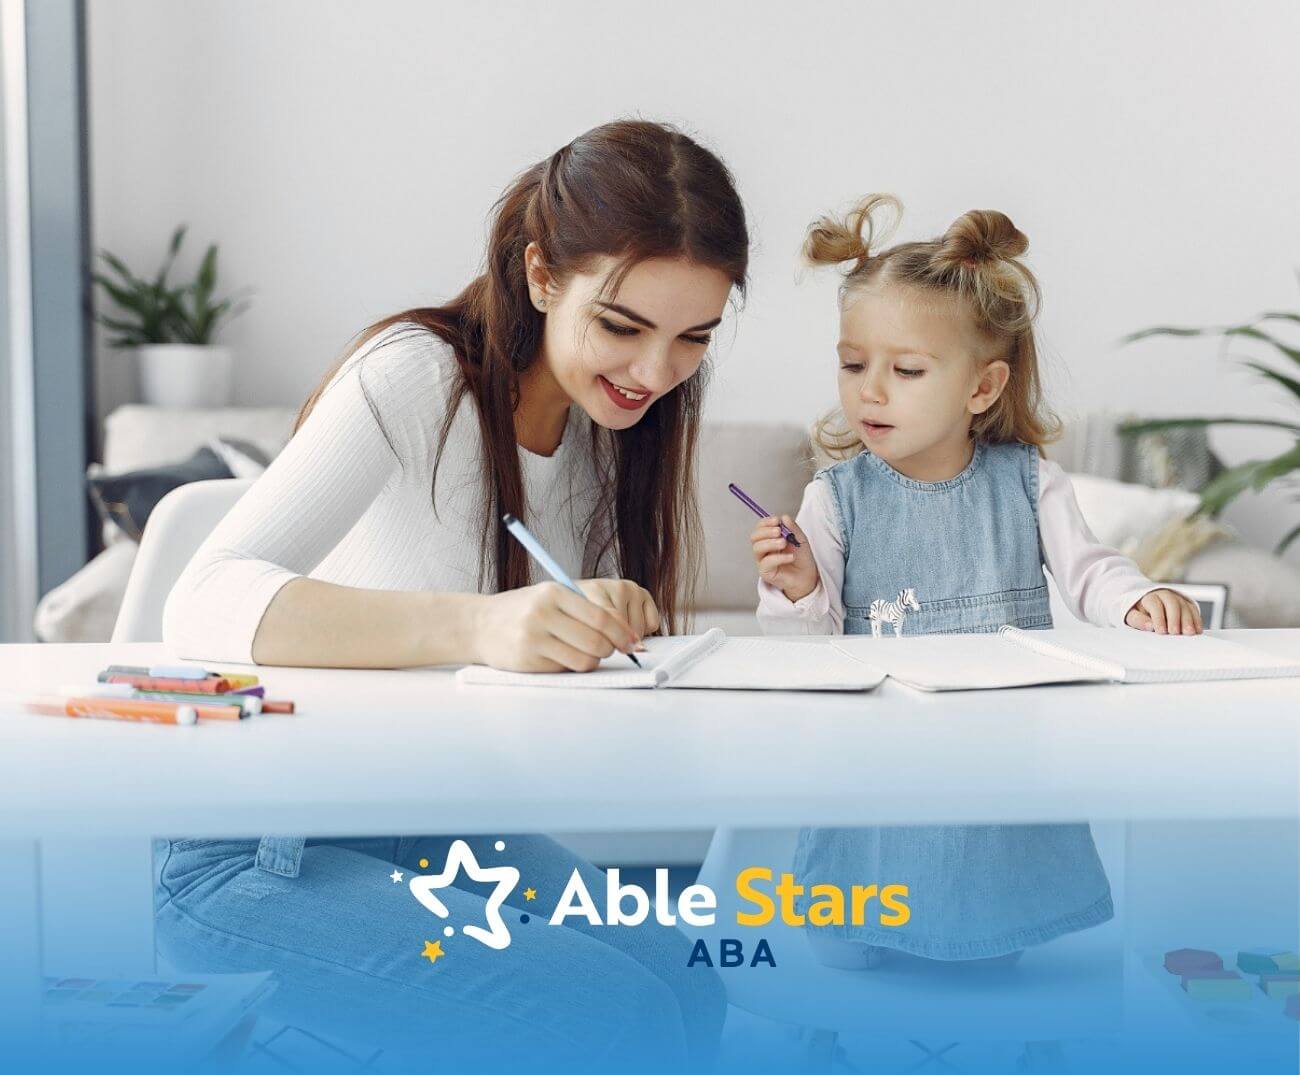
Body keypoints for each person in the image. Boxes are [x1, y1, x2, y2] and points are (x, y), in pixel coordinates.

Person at [157, 119, 749, 1068]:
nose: (654, 373)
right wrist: (483, 625)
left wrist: (597, 628)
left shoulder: (612, 427)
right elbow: (203, 598)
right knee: (611, 1016)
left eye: (693, 339)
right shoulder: (414, 377)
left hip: (436, 824)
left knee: (686, 977)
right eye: (623, 328)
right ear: (542, 276)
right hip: (259, 855)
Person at [751, 193, 1201, 971]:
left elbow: (1091, 572)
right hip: (875, 777)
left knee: (988, 964)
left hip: (998, 767)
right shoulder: (834, 495)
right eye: (853, 363)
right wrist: (795, 585)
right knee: (846, 962)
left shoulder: (1030, 482)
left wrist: (1136, 599)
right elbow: (807, 648)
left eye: (906, 369)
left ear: (982, 389)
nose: (870, 390)